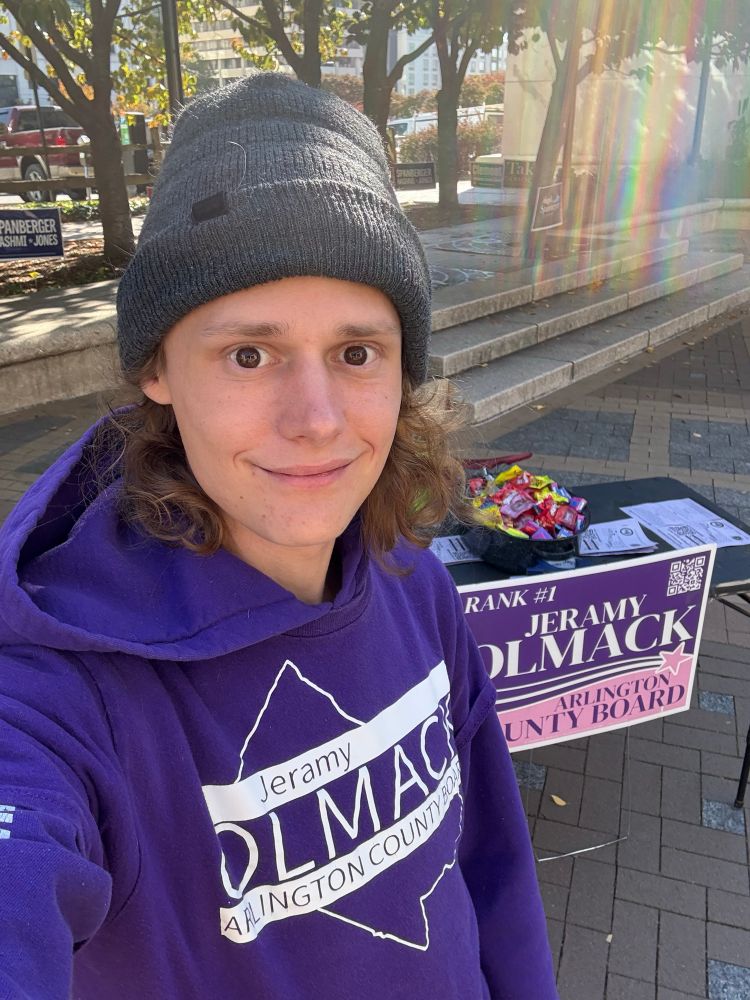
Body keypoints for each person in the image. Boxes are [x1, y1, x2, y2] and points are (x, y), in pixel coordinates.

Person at [0, 73, 558, 999]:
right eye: (249, 354)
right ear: (157, 371)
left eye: (356, 353)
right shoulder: (63, 699)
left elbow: (491, 860)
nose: (316, 419)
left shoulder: (412, 578)